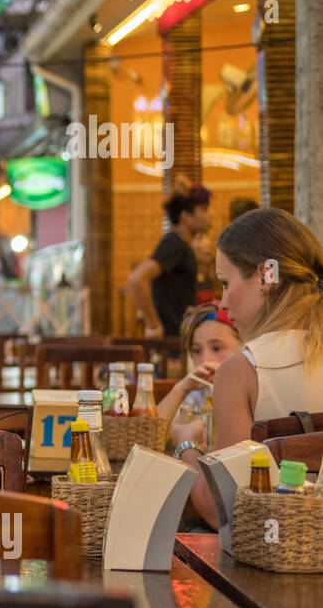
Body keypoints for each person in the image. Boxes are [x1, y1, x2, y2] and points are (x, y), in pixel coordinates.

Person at [170, 208, 323, 527]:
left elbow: (223, 510)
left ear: (267, 277)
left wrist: (185, 446)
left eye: (226, 283)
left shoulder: (243, 369)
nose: (223, 303)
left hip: (278, 556)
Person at [126, 183, 212, 337]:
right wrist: (153, 326)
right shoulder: (174, 243)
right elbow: (136, 279)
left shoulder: (180, 245)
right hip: (171, 341)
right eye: (203, 210)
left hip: (178, 337)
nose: (208, 216)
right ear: (186, 217)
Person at [154, 303, 241, 427]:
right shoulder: (197, 394)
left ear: (242, 345)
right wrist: (181, 389)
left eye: (216, 348)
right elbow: (150, 435)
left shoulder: (253, 391)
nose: (205, 360)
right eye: (196, 351)